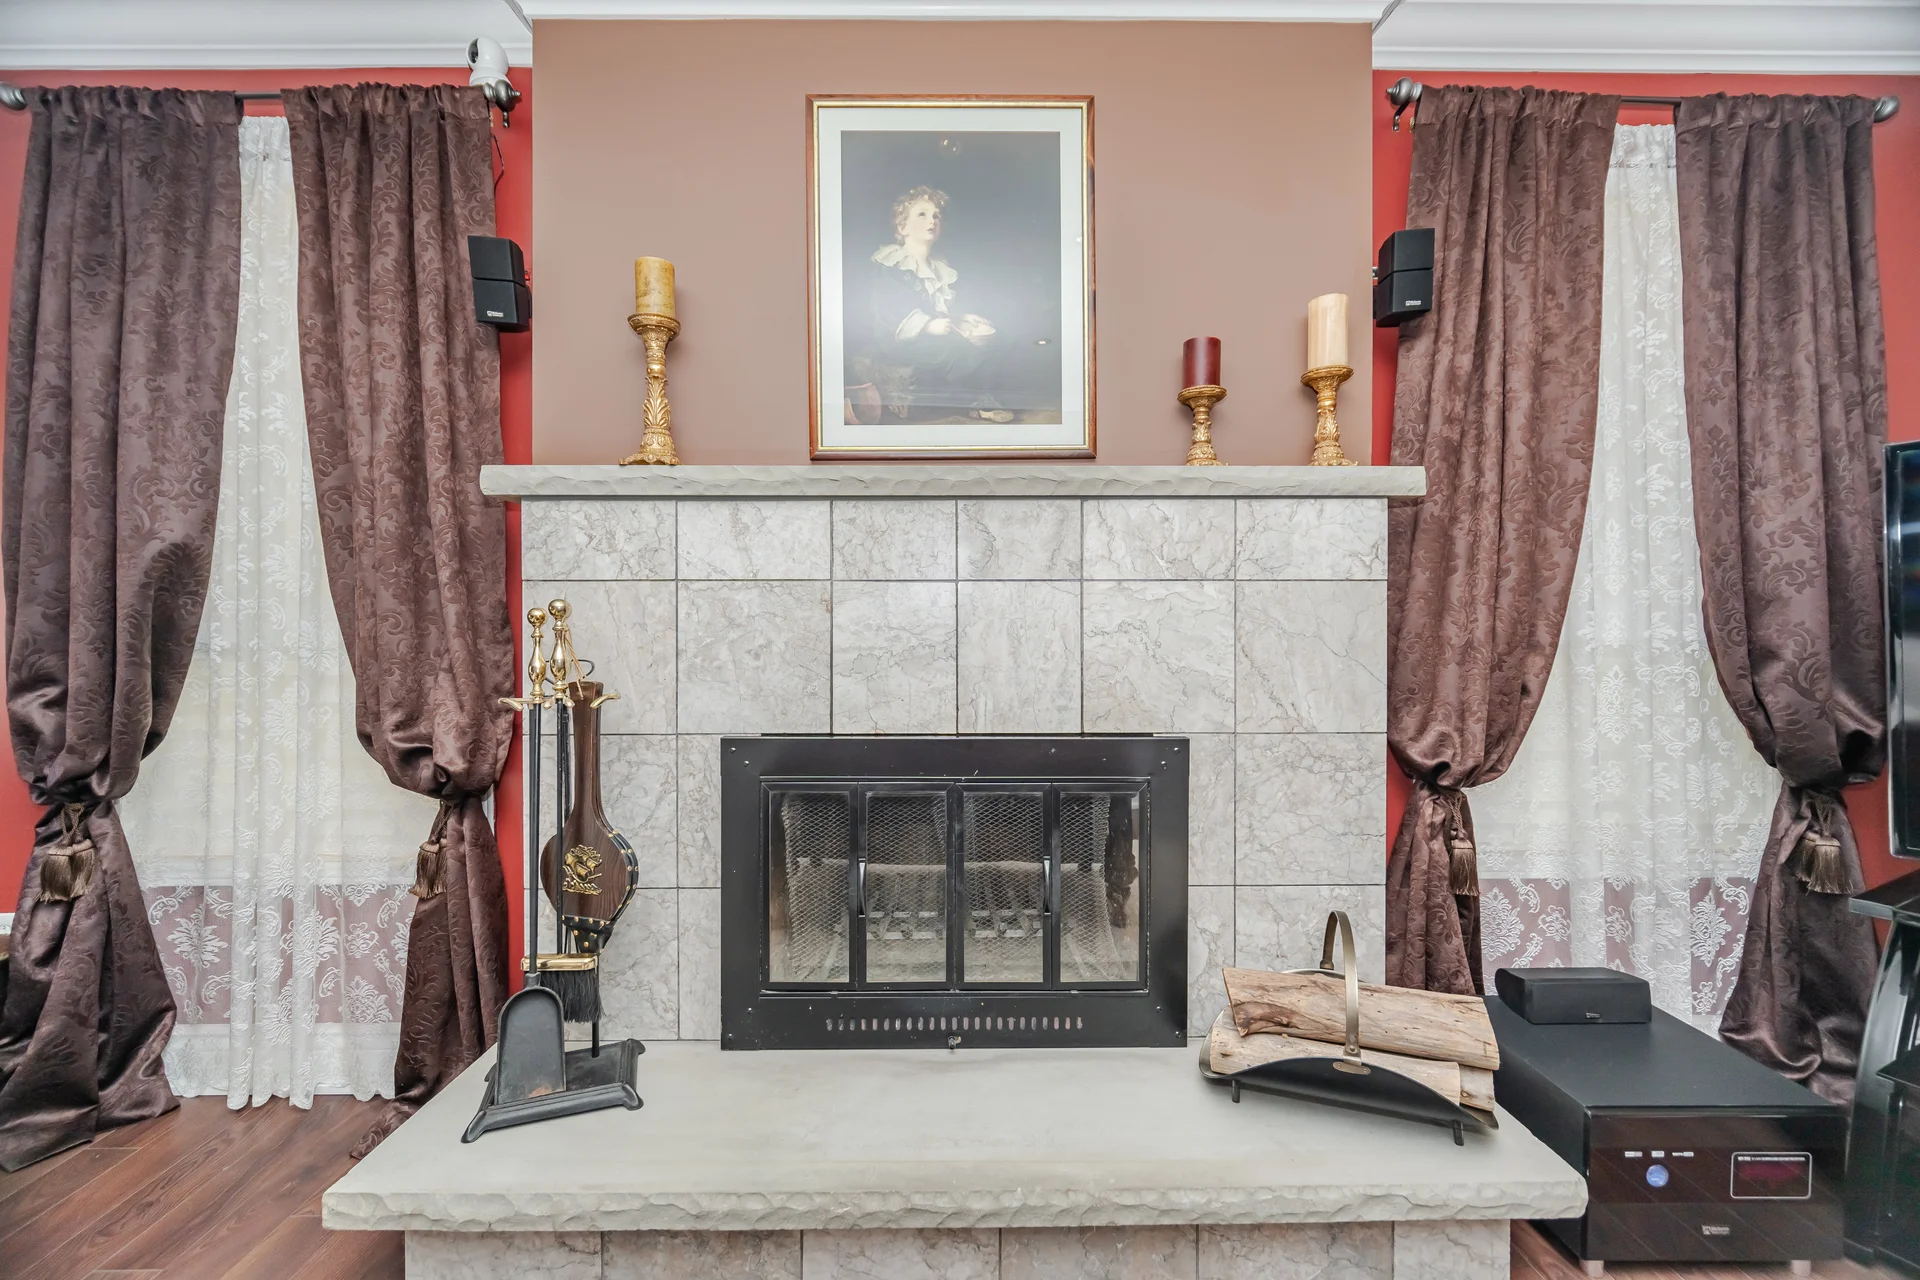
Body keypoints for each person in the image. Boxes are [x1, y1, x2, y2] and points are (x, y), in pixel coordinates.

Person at [863, 185, 1012, 423]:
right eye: (922, 215)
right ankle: (976, 403)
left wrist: (962, 318)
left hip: (934, 330)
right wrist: (928, 325)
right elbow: (889, 311)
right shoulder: (894, 264)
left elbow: (940, 307)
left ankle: (988, 396)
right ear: (902, 227)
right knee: (958, 351)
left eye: (936, 216)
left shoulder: (937, 266)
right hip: (898, 336)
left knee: (996, 337)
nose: (931, 220)